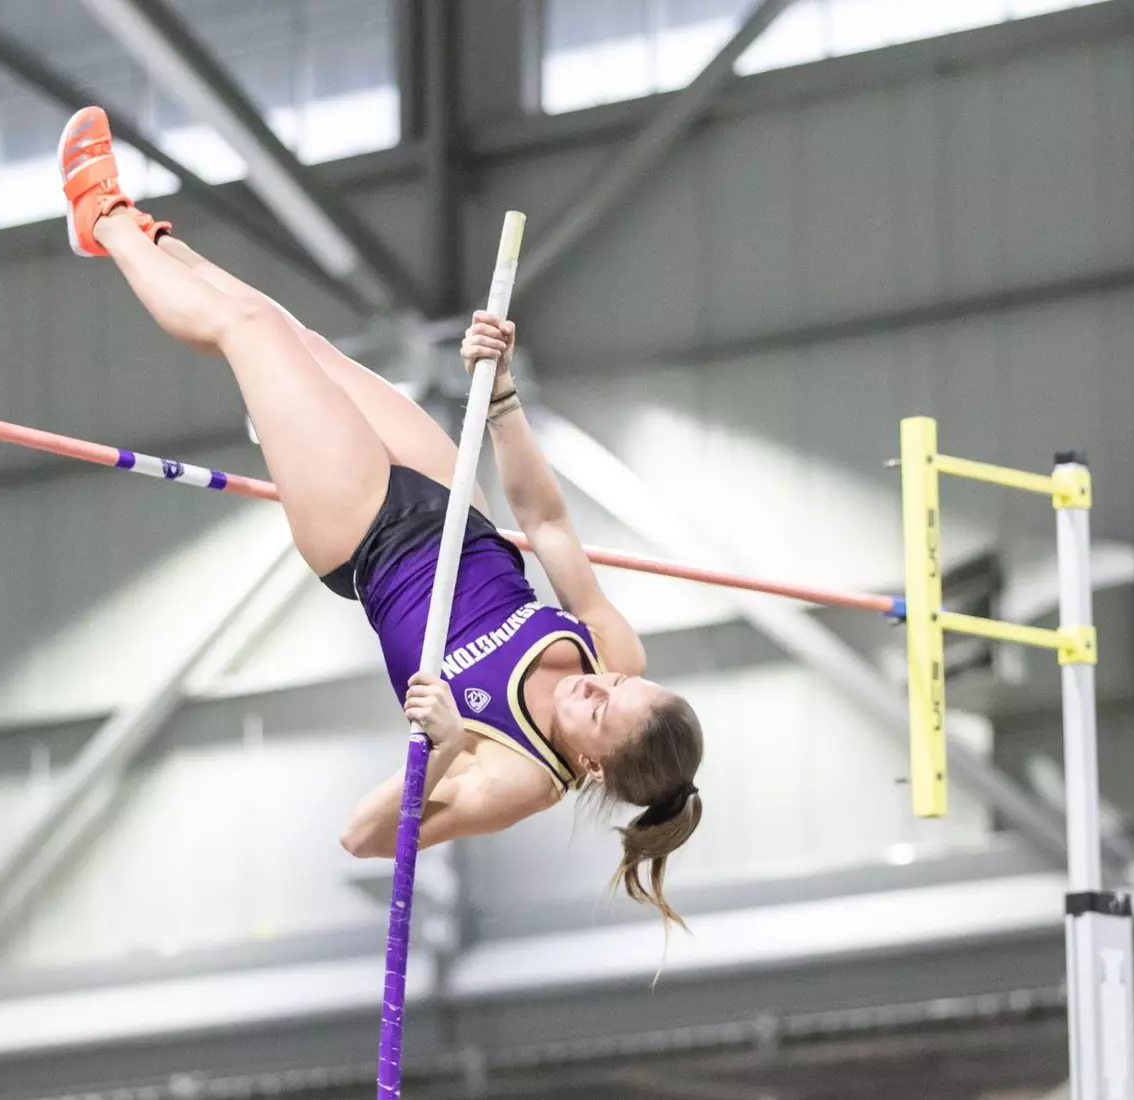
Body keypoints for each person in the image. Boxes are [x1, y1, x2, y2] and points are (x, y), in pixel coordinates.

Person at [58, 106, 704, 926]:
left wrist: (434, 753)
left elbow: (363, 838)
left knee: (249, 331)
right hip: (451, 500)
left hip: (365, 537)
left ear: (592, 763)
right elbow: (546, 527)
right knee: (298, 339)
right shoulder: (612, 652)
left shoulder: (518, 780)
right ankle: (155, 246)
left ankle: (101, 218)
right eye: (621, 684)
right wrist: (501, 401)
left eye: (600, 707)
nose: (602, 681)